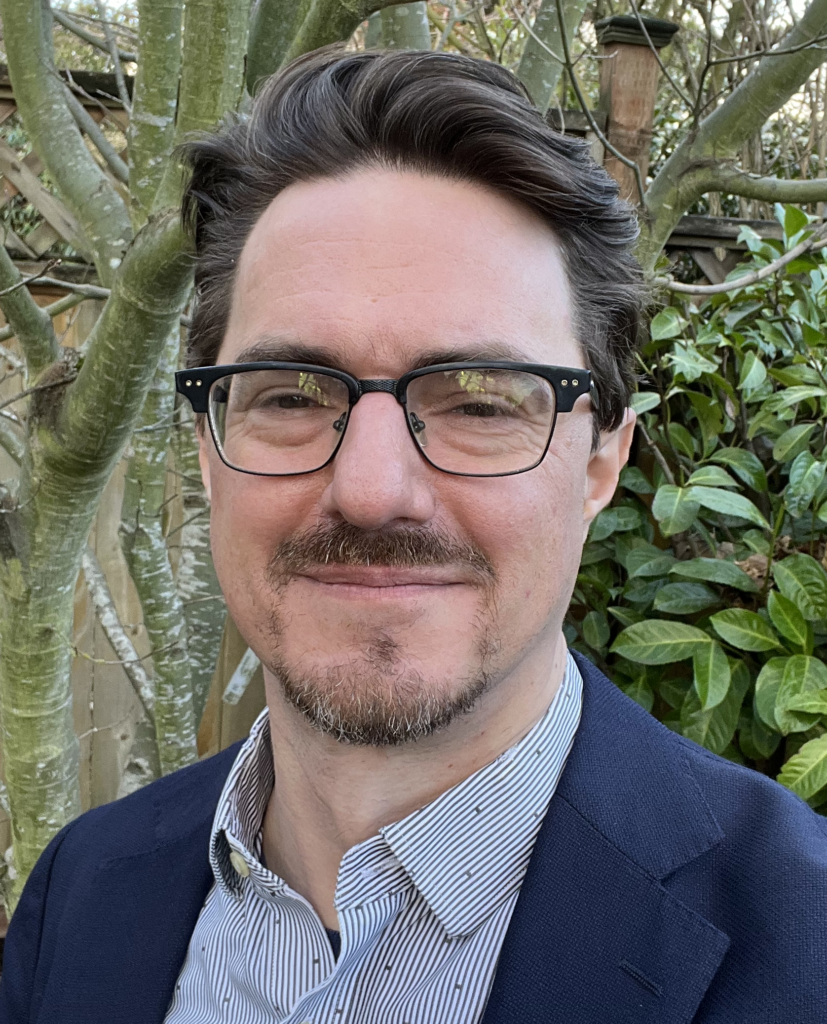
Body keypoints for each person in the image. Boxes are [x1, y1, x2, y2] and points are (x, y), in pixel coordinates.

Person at [1, 47, 825, 1024]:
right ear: (210, 451)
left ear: (601, 459)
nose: (370, 489)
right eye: (289, 395)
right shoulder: (78, 896)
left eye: (479, 402)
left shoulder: (799, 943)